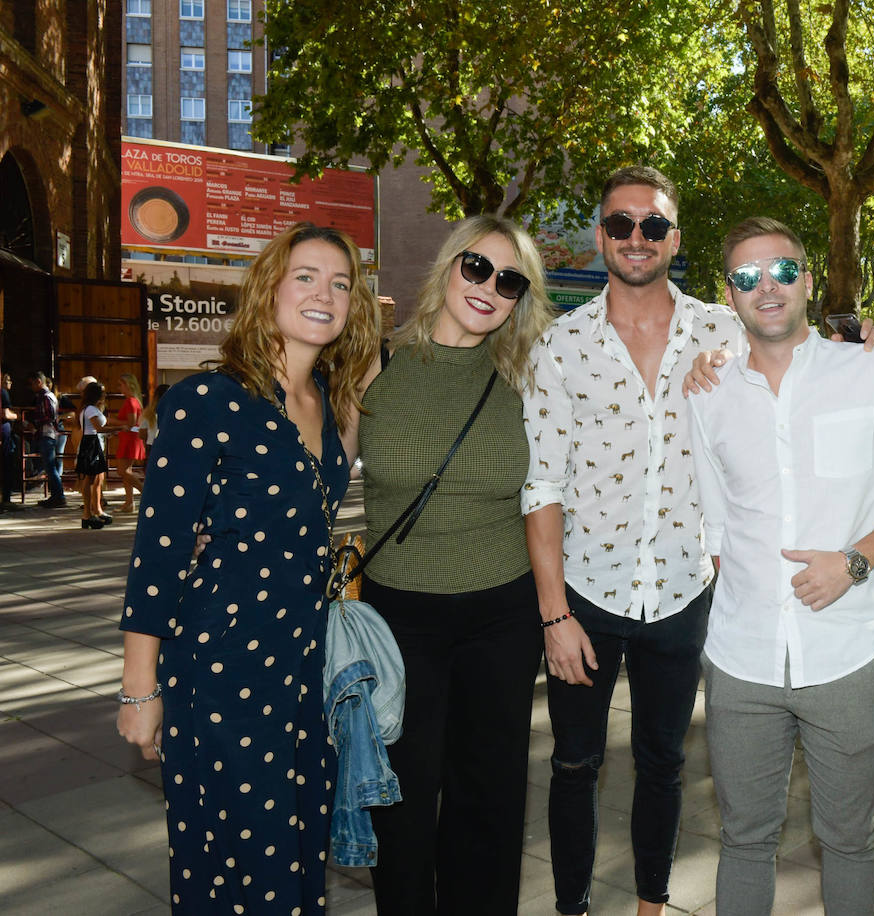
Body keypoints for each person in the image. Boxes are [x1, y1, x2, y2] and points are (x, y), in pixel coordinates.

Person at [115, 222, 381, 914]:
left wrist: (367, 369)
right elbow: (158, 554)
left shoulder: (321, 398)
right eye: (307, 277)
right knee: (239, 870)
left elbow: (325, 479)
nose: (325, 293)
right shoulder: (208, 402)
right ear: (268, 290)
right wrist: (139, 690)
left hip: (301, 668)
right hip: (222, 665)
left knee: (295, 859)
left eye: (341, 283)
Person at [687, 217, 874, 913]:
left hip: (847, 653)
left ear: (810, 279)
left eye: (783, 271)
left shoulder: (873, 370)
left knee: (849, 839)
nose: (767, 287)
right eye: (746, 277)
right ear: (729, 294)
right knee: (743, 840)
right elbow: (716, 523)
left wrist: (853, 562)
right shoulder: (708, 393)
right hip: (741, 661)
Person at [523, 166, 744, 916]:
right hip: (585, 593)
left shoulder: (723, 329)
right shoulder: (561, 343)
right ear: (601, 238)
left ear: (674, 239)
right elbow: (542, 485)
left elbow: (802, 368)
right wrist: (553, 615)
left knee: (664, 764)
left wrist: (866, 337)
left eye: (653, 225)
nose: (637, 238)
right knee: (575, 766)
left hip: (684, 589)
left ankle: (652, 906)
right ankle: (573, 910)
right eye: (622, 225)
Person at [352, 214, 555, 913]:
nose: (488, 287)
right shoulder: (373, 362)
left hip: (503, 615)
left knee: (489, 803)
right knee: (400, 804)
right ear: (447, 267)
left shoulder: (530, 374)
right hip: (397, 618)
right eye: (477, 267)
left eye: (508, 280)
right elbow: (307, 456)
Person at [74, 381, 112, 529]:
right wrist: (121, 427)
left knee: (95, 479)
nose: (105, 395)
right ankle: (87, 514)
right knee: (89, 479)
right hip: (90, 443)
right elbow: (98, 427)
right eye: (102, 392)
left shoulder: (92, 408)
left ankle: (94, 512)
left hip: (93, 442)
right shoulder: (90, 409)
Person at [25, 371, 65, 508]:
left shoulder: (46, 397)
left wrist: (35, 423)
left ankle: (58, 496)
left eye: (32, 383)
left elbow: (50, 416)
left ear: (38, 382)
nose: (31, 387)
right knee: (49, 467)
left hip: (47, 434)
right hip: (47, 434)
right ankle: (57, 496)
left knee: (50, 467)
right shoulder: (46, 396)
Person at [111, 372, 147, 512]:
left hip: (130, 438)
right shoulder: (134, 401)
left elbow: (131, 423)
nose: (119, 388)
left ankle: (145, 493)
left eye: (121, 385)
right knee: (127, 471)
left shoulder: (131, 401)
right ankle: (129, 503)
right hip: (130, 438)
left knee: (122, 471)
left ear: (128, 385)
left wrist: (112, 421)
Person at [1, 369, 16, 508]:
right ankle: (6, 498)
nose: (10, 383)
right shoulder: (3, 393)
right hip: (4, 431)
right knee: (6, 463)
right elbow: (5, 414)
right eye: (8, 380)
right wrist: (16, 416)